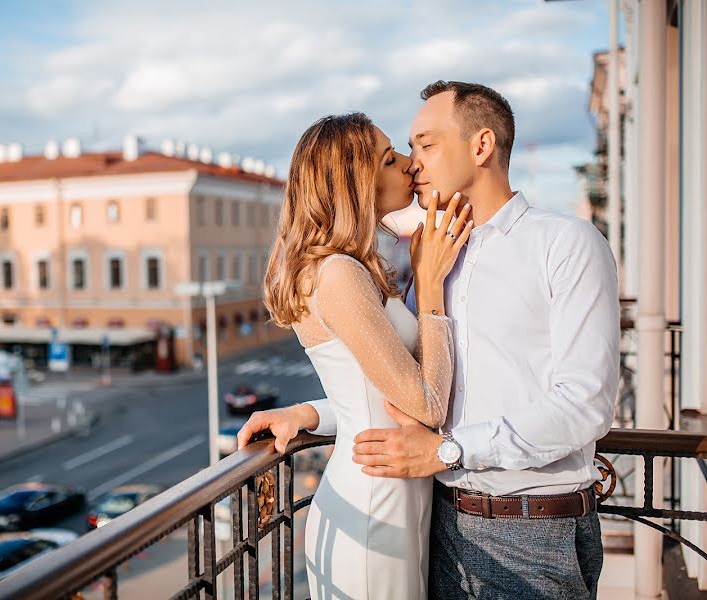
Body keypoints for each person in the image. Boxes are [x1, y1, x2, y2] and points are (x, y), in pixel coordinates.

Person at [239, 81, 619, 600]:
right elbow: (402, 389)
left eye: (424, 144)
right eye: (402, 152)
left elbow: (586, 405)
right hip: (437, 518)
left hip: (530, 530)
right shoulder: (434, 259)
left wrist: (447, 450)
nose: (412, 163)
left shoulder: (565, 243)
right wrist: (312, 413)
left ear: (481, 146)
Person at [255, 111, 471, 598]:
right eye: (390, 158)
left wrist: (309, 412)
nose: (408, 167)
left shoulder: (354, 267)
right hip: (376, 506)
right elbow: (427, 404)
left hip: (395, 493)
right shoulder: (338, 274)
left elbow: (370, 392)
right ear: (357, 180)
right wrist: (431, 288)